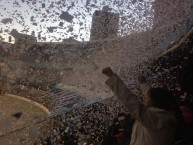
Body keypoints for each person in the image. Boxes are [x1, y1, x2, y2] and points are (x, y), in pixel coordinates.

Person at [102, 67, 184, 145]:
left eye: (147, 98)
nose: (144, 99)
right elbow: (149, 94)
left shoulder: (158, 119)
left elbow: (131, 101)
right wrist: (143, 84)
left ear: (156, 101)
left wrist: (113, 78)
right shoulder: (160, 117)